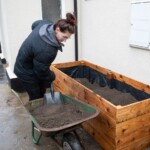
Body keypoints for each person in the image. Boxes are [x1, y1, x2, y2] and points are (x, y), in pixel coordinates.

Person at [14, 13, 76, 101]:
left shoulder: (46, 24)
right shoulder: (47, 50)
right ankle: (36, 111)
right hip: (25, 71)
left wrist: (34, 41)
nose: (65, 40)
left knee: (41, 88)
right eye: (64, 37)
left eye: (68, 38)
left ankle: (42, 99)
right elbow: (41, 71)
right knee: (36, 96)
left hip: (32, 63)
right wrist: (52, 76)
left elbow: (35, 24)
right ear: (57, 30)